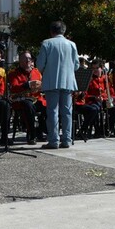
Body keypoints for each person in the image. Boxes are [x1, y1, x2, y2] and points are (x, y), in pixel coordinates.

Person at [36, 20, 79, 149]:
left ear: (51, 31)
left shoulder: (47, 43)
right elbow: (76, 65)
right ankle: (66, 139)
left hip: (51, 81)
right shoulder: (72, 44)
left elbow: (39, 64)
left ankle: (53, 140)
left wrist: (46, 71)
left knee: (52, 111)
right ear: (63, 31)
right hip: (67, 81)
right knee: (67, 112)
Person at [74, 59, 115, 138]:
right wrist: (95, 97)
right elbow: (86, 94)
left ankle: (106, 127)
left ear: (102, 68)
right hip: (93, 101)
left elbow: (111, 91)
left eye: (97, 68)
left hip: (105, 101)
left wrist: (110, 98)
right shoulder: (89, 79)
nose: (95, 70)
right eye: (93, 68)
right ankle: (95, 130)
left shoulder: (105, 78)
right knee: (95, 108)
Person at [8, 50, 47, 144]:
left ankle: (41, 129)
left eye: (29, 59)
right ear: (20, 61)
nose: (28, 61)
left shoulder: (36, 72)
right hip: (21, 100)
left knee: (50, 107)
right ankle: (32, 134)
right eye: (26, 59)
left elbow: (42, 86)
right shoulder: (13, 73)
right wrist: (28, 84)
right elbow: (14, 88)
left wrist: (42, 87)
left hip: (36, 98)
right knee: (28, 106)